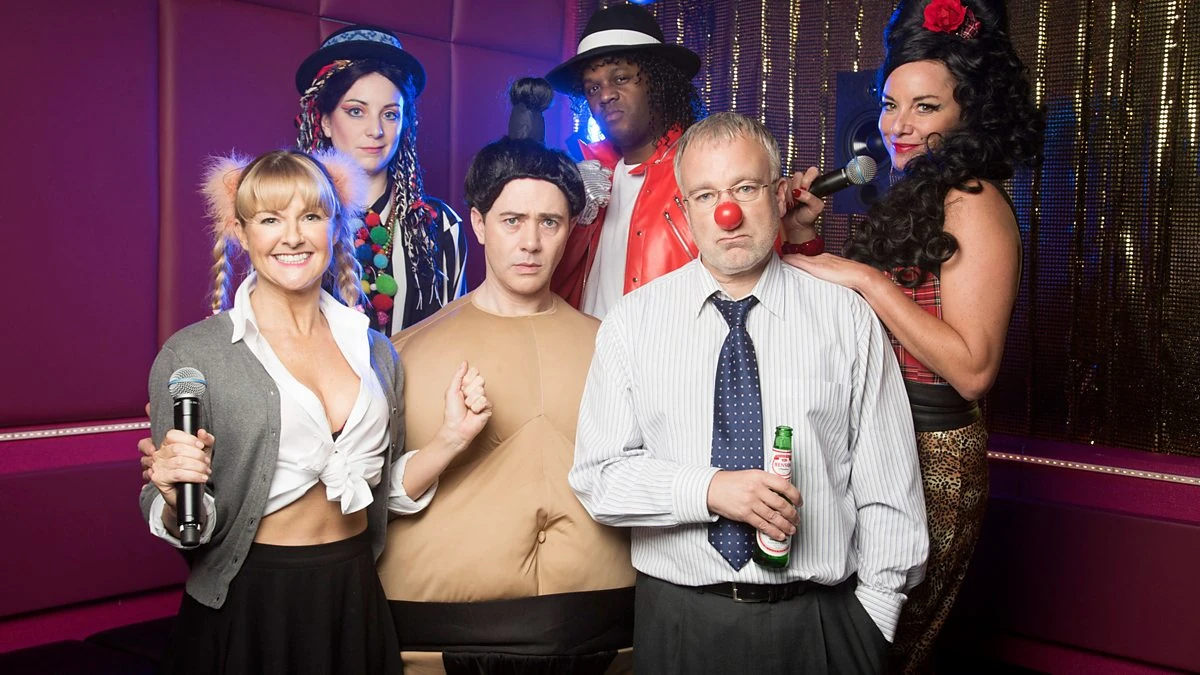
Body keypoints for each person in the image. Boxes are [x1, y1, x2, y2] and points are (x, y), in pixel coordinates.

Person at [569, 112, 929, 675]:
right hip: (680, 622)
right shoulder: (632, 324)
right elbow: (599, 478)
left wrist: (872, 624)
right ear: (684, 210)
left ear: (780, 195)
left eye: (744, 188)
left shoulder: (846, 317)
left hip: (822, 623)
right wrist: (710, 489)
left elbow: (890, 489)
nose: (727, 213)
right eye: (706, 195)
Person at [140, 149, 490, 674]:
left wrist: (451, 440)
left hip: (354, 595)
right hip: (249, 602)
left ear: (335, 226)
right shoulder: (193, 356)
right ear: (240, 232)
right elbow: (186, 515)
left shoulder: (375, 351)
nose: (293, 237)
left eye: (310, 216)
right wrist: (172, 498)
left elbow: (378, 495)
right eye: (269, 219)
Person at [783, 0, 1043, 671]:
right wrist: (807, 240)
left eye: (924, 107)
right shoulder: (918, 192)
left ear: (968, 114)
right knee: (845, 646)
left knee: (877, 652)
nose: (896, 125)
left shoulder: (973, 200)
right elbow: (862, 327)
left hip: (933, 455)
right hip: (878, 439)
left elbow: (974, 368)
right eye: (889, 104)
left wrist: (868, 280)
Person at [377, 78, 636, 675]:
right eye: (512, 220)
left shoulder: (615, 346)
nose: (531, 242)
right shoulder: (403, 353)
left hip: (601, 629)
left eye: (551, 222)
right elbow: (363, 502)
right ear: (478, 222)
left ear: (571, 228)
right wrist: (448, 443)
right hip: (442, 633)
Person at [545, 3, 823, 320]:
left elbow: (777, 299)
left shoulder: (708, 173)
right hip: (586, 349)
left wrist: (798, 235)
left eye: (621, 78)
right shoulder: (586, 180)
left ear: (659, 82)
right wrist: (568, 212)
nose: (605, 95)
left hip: (672, 350)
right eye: (593, 87)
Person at [296, 24, 468, 332]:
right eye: (356, 111)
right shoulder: (290, 221)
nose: (375, 130)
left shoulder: (439, 226)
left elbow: (455, 338)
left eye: (390, 114)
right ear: (325, 122)